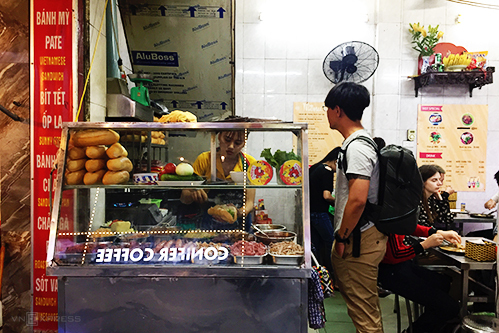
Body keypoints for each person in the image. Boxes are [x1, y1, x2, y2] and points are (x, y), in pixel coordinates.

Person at [325, 82, 387, 332]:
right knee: (363, 310)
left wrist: (342, 236)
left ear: (337, 110)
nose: (326, 113)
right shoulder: (357, 143)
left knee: (364, 315)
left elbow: (358, 199)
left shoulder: (358, 146)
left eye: (327, 108)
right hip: (359, 237)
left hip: (358, 239)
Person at [378, 164, 461, 333]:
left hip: (402, 266)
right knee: (449, 307)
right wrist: (425, 245)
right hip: (392, 271)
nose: (439, 184)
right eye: (434, 180)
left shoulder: (400, 204)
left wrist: (438, 232)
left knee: (444, 283)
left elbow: (411, 226)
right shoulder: (394, 207)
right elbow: (394, 255)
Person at [180, 117, 257, 228]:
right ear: (219, 136)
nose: (231, 146)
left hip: (239, 228)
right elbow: (184, 197)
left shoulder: (250, 164)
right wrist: (192, 193)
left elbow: (249, 202)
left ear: (245, 142)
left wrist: (237, 213)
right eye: (227, 139)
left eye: (238, 142)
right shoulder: (204, 160)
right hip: (208, 227)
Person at [309, 147, 341, 276]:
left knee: (316, 244)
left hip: (310, 213)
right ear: (336, 160)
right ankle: (332, 274)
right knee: (331, 242)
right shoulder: (327, 171)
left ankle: (317, 274)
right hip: (319, 213)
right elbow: (327, 196)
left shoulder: (316, 167)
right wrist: (339, 202)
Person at [417, 165, 454, 230]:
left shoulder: (430, 200)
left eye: (439, 180)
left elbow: (447, 220)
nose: (440, 183)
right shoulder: (416, 202)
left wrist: (441, 200)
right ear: (422, 182)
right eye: (434, 180)